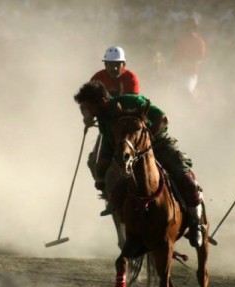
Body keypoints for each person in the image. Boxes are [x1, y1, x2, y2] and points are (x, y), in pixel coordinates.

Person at [73, 81, 207, 247]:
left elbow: (162, 118)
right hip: (130, 155)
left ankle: (196, 224)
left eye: (88, 107)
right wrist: (102, 170)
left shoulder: (131, 101)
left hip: (159, 145)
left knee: (185, 178)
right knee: (112, 186)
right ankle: (127, 221)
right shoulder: (102, 120)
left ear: (101, 102)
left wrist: (147, 142)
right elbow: (109, 145)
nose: (88, 112)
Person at [82, 46, 141, 216]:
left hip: (127, 125)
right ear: (105, 64)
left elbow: (131, 104)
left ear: (123, 64)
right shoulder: (97, 78)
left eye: (117, 64)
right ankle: (107, 194)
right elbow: (85, 100)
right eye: (110, 64)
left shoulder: (131, 78)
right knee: (94, 161)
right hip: (107, 126)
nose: (114, 68)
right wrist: (87, 115)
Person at [173, 16, 206, 97]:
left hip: (191, 74)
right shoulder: (181, 41)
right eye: (188, 27)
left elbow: (200, 60)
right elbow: (177, 57)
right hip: (179, 73)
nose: (189, 29)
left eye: (192, 27)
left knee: (186, 92)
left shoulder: (199, 42)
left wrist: (189, 64)